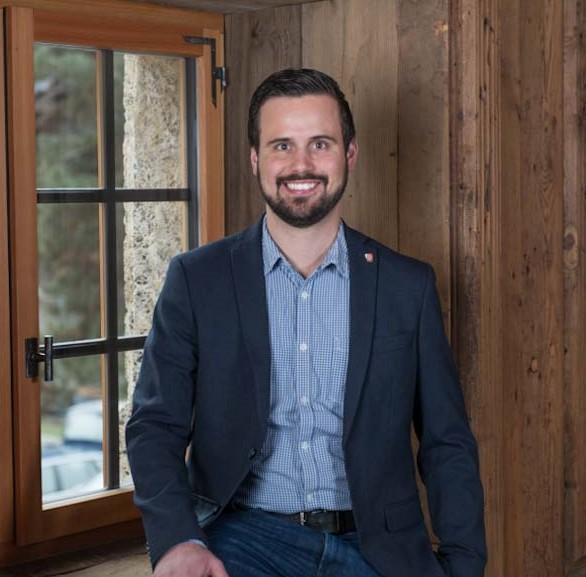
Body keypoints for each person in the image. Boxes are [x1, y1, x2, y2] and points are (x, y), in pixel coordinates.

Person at [126, 68, 486, 577]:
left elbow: (447, 443)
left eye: (320, 144)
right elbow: (155, 425)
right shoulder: (197, 279)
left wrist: (464, 565)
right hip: (242, 539)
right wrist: (177, 541)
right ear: (255, 158)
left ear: (349, 154)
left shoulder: (408, 286)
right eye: (282, 146)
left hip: (377, 548)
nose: (301, 164)